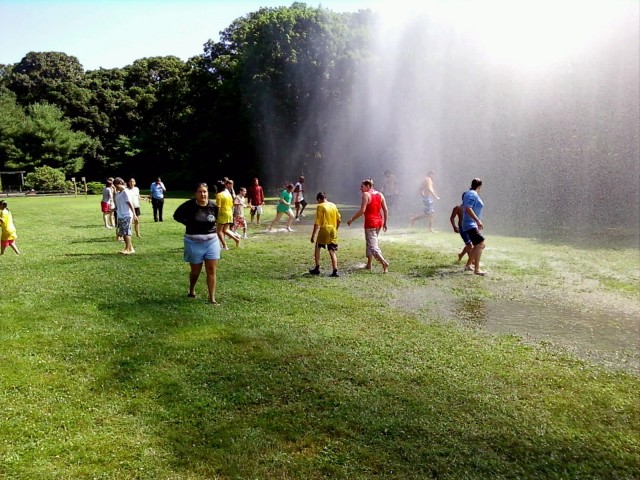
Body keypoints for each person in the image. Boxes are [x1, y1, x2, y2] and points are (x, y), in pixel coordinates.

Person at [173, 182, 221, 305]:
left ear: (207, 192)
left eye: (204, 191)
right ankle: (191, 289)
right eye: (200, 191)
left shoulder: (213, 206)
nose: (202, 194)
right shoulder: (189, 205)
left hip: (212, 241)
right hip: (193, 242)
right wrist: (189, 223)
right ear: (196, 193)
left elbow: (217, 219)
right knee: (195, 271)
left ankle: (212, 298)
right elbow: (176, 215)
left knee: (211, 269)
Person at [347, 178, 390, 272]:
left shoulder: (366, 195)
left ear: (368, 186)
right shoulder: (380, 194)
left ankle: (384, 263)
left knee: (372, 246)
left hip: (370, 223)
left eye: (362, 187)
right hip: (379, 222)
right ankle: (369, 264)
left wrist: (352, 219)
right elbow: (385, 210)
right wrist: (385, 222)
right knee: (370, 243)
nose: (360, 189)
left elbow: (362, 210)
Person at [309, 192, 341, 277]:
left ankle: (317, 267)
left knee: (317, 247)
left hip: (325, 229)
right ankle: (335, 270)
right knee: (332, 250)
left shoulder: (320, 206)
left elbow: (317, 222)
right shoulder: (333, 205)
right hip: (333, 229)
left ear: (319, 199)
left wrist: (313, 236)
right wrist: (336, 229)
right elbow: (339, 220)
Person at [461, 178, 486, 276]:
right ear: (480, 186)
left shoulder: (469, 193)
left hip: (471, 223)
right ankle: (477, 269)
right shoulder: (472, 194)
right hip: (470, 223)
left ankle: (468, 265)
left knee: (479, 245)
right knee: (480, 243)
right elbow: (468, 208)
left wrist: (477, 222)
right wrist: (477, 220)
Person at [113, 177, 137, 255]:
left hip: (126, 214)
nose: (115, 187)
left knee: (126, 232)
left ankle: (127, 249)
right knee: (123, 232)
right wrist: (112, 210)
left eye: (116, 186)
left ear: (120, 183)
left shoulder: (125, 192)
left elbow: (130, 203)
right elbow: (118, 205)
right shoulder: (118, 193)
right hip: (120, 215)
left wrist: (134, 215)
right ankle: (131, 248)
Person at [216, 178, 241, 249]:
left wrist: (216, 217)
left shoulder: (219, 195)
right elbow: (232, 204)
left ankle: (225, 246)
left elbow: (218, 207)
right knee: (225, 230)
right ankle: (237, 239)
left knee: (219, 231)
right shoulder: (228, 194)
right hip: (229, 213)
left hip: (222, 214)